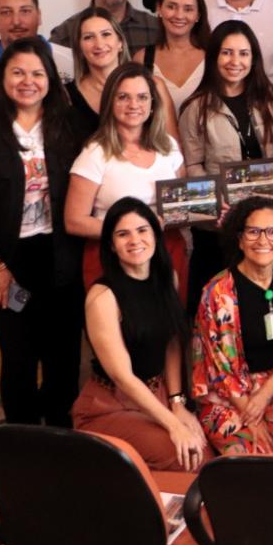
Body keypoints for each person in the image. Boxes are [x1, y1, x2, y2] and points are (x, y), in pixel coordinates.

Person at [0, 38, 84, 426]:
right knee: (20, 355)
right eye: (18, 72)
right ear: (2, 75)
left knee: (63, 354)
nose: (28, 81)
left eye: (38, 73)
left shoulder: (66, 122)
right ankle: (22, 442)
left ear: (51, 78)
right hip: (3, 261)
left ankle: (61, 436)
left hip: (59, 255)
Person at [71, 198, 207, 471]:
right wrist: (172, 423)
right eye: (123, 234)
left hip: (158, 393)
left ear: (155, 235)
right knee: (186, 455)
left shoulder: (168, 278)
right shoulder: (103, 297)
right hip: (111, 403)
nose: (135, 240)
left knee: (204, 447)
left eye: (142, 230)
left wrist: (178, 403)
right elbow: (122, 376)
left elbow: (171, 342)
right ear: (111, 244)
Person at [189, 198, 273, 455]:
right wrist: (249, 411)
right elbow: (219, 368)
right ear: (239, 239)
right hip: (228, 391)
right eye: (253, 231)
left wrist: (262, 398)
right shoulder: (217, 292)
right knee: (245, 450)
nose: (263, 240)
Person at [179, 20, 273, 302]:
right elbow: (192, 165)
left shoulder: (269, 100)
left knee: (265, 299)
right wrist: (213, 204)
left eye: (243, 53)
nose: (235, 61)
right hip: (220, 226)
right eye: (226, 52)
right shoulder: (195, 108)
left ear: (254, 59)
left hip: (266, 218)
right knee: (222, 302)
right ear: (214, 57)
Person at [65, 62, 189, 294]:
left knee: (171, 325)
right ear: (110, 102)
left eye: (142, 97)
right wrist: (132, 231)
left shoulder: (168, 146)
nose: (134, 105)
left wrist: (212, 210)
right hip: (116, 258)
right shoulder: (95, 153)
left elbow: (182, 204)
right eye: (123, 97)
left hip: (167, 252)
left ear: (153, 104)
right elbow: (74, 221)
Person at [66, 6, 181, 144]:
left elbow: (174, 150)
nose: (99, 44)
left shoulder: (154, 86)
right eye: (89, 37)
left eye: (106, 34)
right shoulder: (66, 96)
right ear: (79, 47)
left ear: (120, 42)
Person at [137, 0, 210, 115]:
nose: (179, 15)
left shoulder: (213, 56)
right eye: (171, 7)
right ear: (159, 8)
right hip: (158, 137)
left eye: (188, 9)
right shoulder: (142, 59)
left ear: (198, 15)